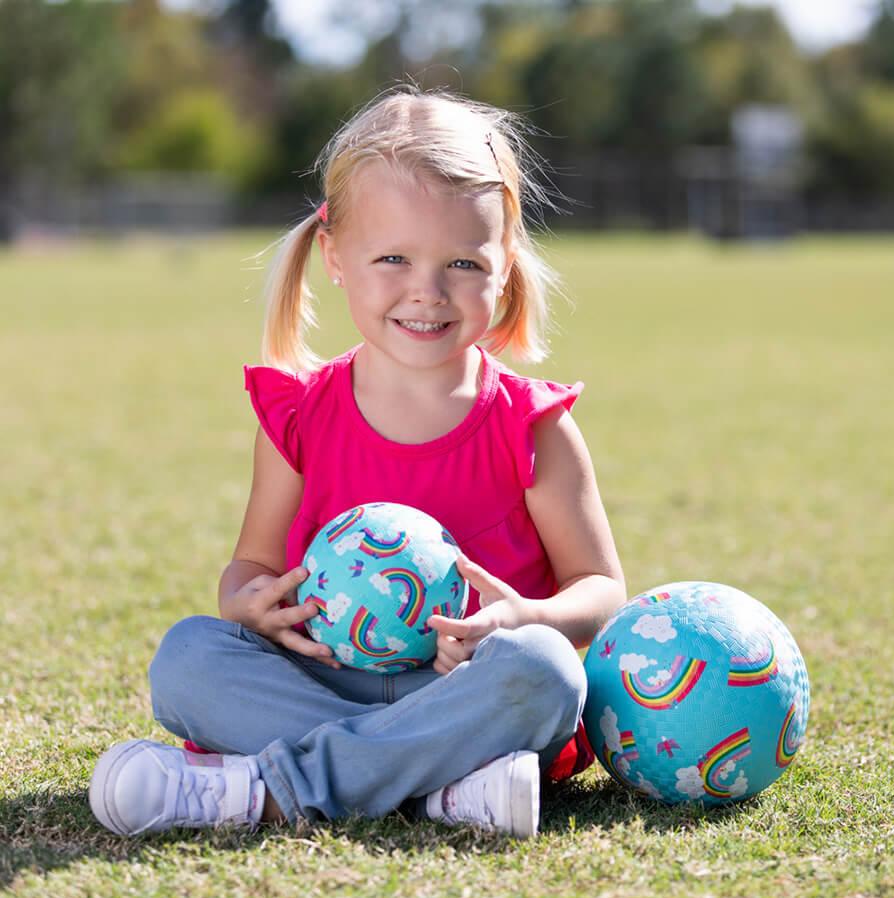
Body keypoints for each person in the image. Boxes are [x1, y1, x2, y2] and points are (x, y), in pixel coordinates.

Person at [89, 86, 626, 840]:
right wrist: (249, 605)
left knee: (547, 671)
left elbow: (601, 592)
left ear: (506, 264)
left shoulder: (530, 427)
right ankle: (440, 786)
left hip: (467, 690)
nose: (427, 292)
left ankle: (274, 790)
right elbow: (248, 570)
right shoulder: (301, 417)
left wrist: (526, 615)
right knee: (187, 657)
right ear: (335, 254)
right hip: (330, 680)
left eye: (464, 262)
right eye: (393, 258)